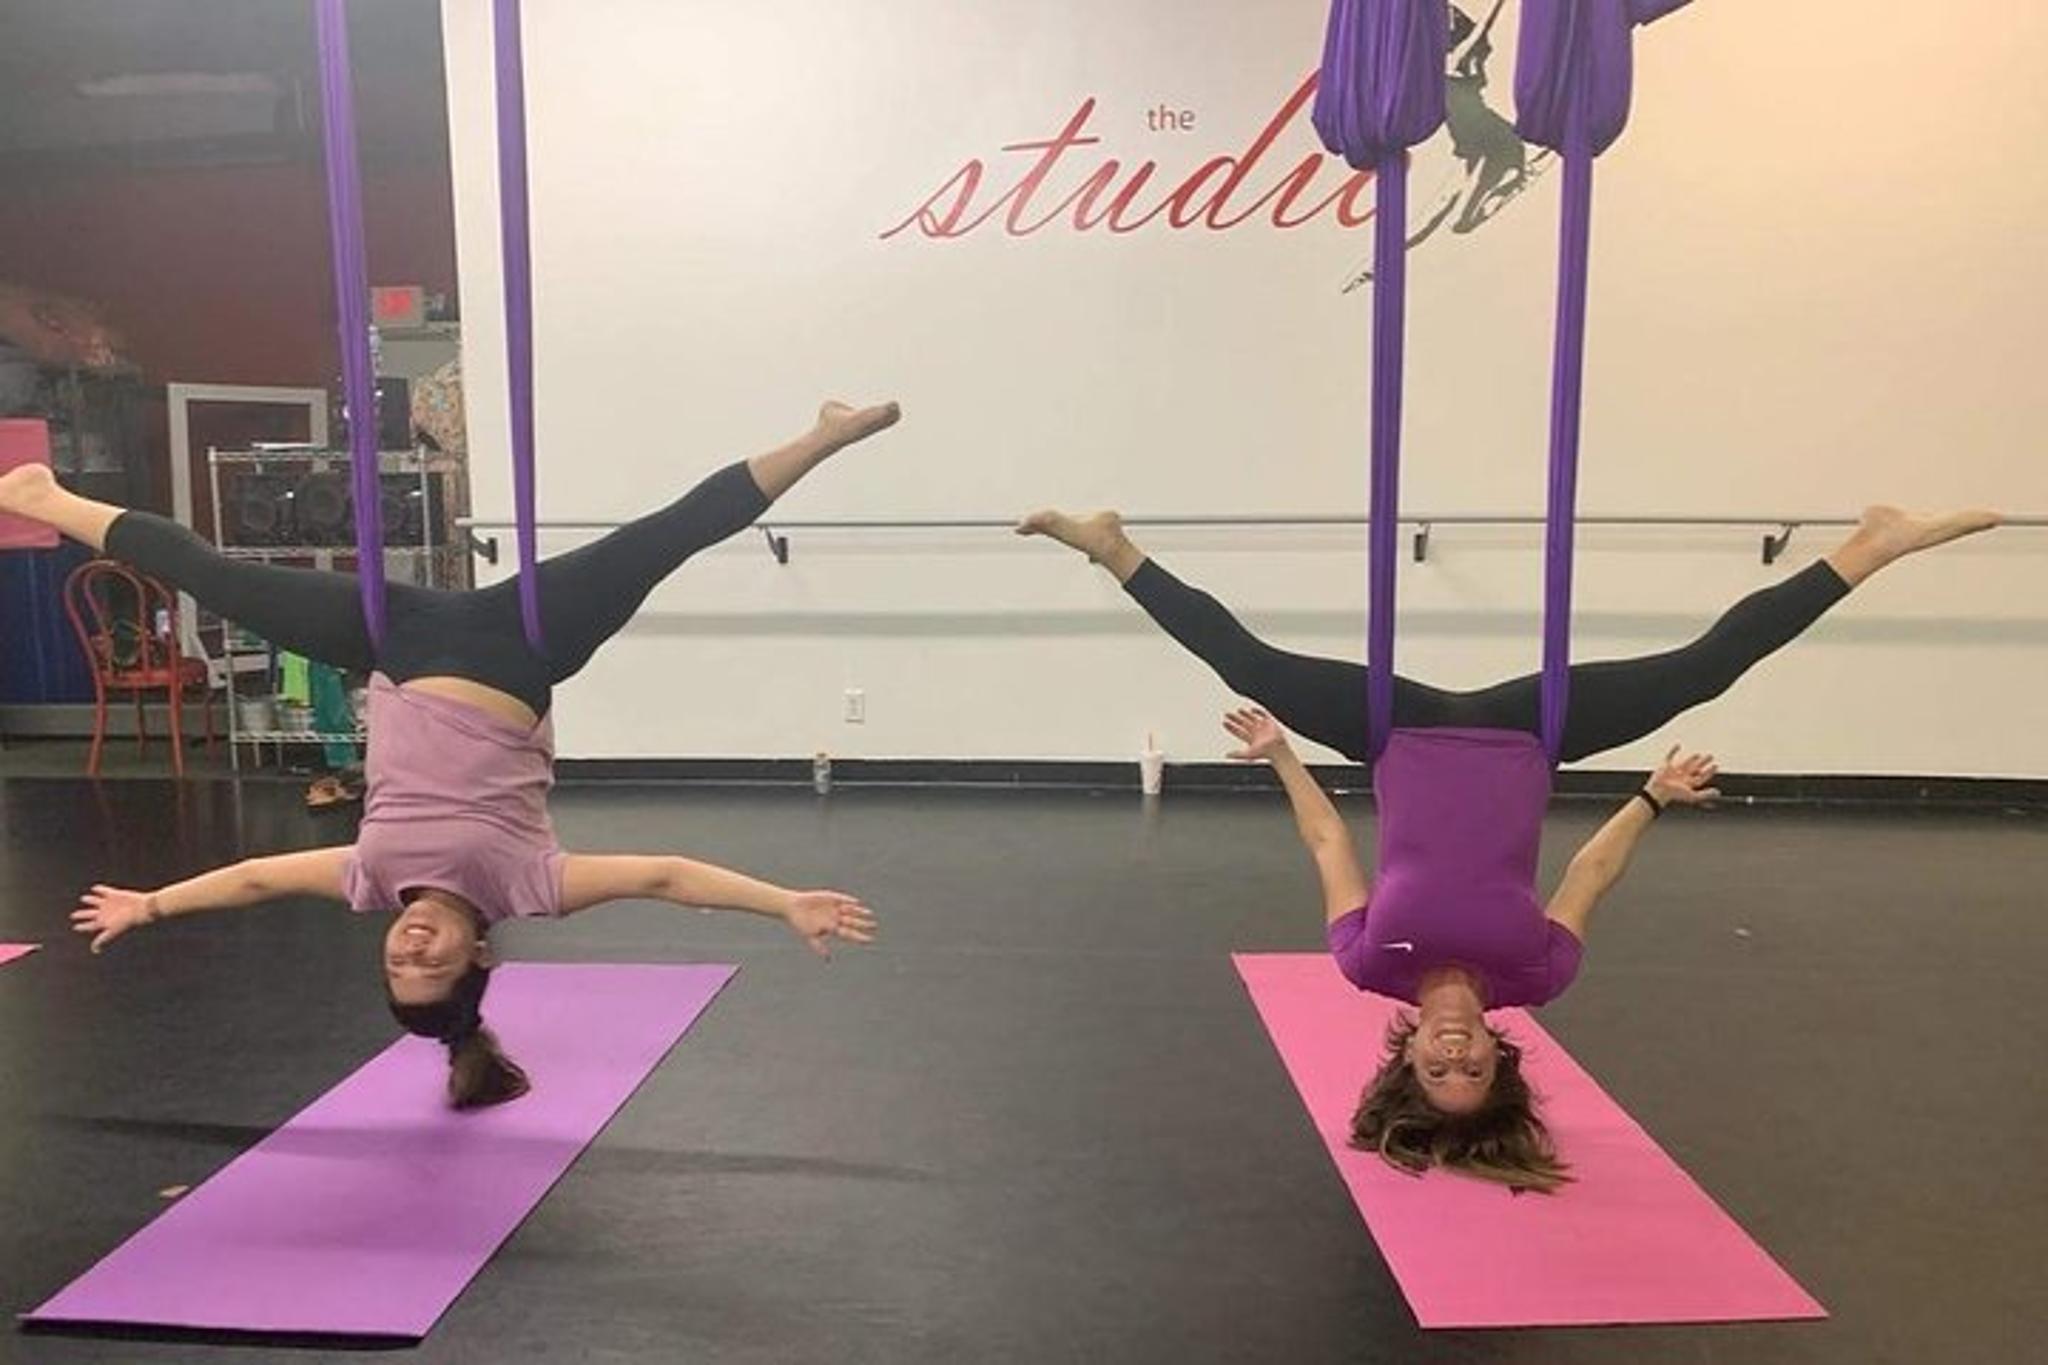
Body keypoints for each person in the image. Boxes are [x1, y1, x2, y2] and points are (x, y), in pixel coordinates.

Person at [1018, 502, 1999, 1189]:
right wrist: (1650, 797)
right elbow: (1588, 874)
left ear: (1408, 1059)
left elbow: (1326, 843)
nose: (1453, 1059)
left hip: (1388, 729)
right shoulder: (1535, 974)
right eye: (1471, 1073)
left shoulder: (1367, 965)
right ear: (1497, 1056)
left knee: (1247, 662)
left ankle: (1110, 547)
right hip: (1536, 732)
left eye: (1435, 1074)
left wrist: (1278, 753)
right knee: (1705, 669)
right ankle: (1873, 545)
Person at [2, 400, 900, 1109]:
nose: (414, 943)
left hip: (396, 642)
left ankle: (43, 499)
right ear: (479, 957)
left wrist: (150, 904)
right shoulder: (525, 885)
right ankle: (824, 436)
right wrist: (783, 902)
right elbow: (664, 875)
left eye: (398, 959)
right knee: (664, 538)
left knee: (214, 575)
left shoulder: (372, 876)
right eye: (432, 961)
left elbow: (255, 881)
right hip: (522, 647)